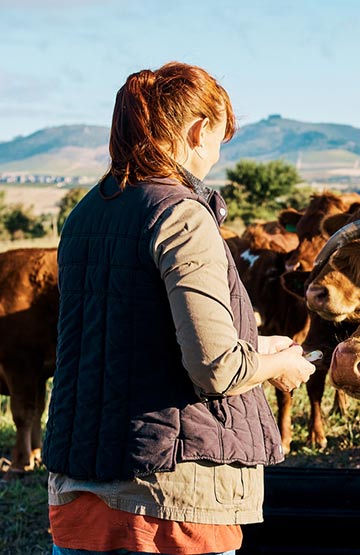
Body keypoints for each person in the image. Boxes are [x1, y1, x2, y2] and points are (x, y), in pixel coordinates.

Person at [43, 62, 317, 555]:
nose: (215, 155)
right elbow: (215, 369)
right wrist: (279, 364)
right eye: (218, 139)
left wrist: (254, 345)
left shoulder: (83, 214)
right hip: (169, 503)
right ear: (197, 130)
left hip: (76, 493)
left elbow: (134, 332)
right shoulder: (182, 216)